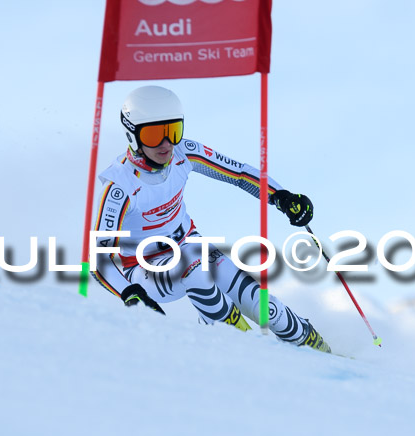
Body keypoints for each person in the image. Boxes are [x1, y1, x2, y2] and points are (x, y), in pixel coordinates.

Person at [91, 85, 330, 353]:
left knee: (266, 307)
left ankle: (325, 352)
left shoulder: (184, 153)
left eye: (173, 131)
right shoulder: (119, 187)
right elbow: (98, 259)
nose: (167, 144)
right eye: (154, 134)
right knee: (192, 265)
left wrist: (281, 197)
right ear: (132, 135)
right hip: (146, 271)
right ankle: (246, 345)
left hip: (191, 248)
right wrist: (131, 294)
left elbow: (237, 174)